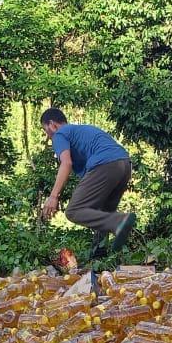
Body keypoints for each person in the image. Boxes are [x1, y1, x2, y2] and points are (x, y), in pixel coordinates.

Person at [39, 108, 137, 256]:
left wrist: (53, 196)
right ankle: (99, 256)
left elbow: (66, 163)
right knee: (103, 213)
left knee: (74, 211)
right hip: (125, 165)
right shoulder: (80, 131)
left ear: (52, 124)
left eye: (46, 130)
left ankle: (119, 222)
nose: (48, 136)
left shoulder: (59, 134)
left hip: (106, 164)